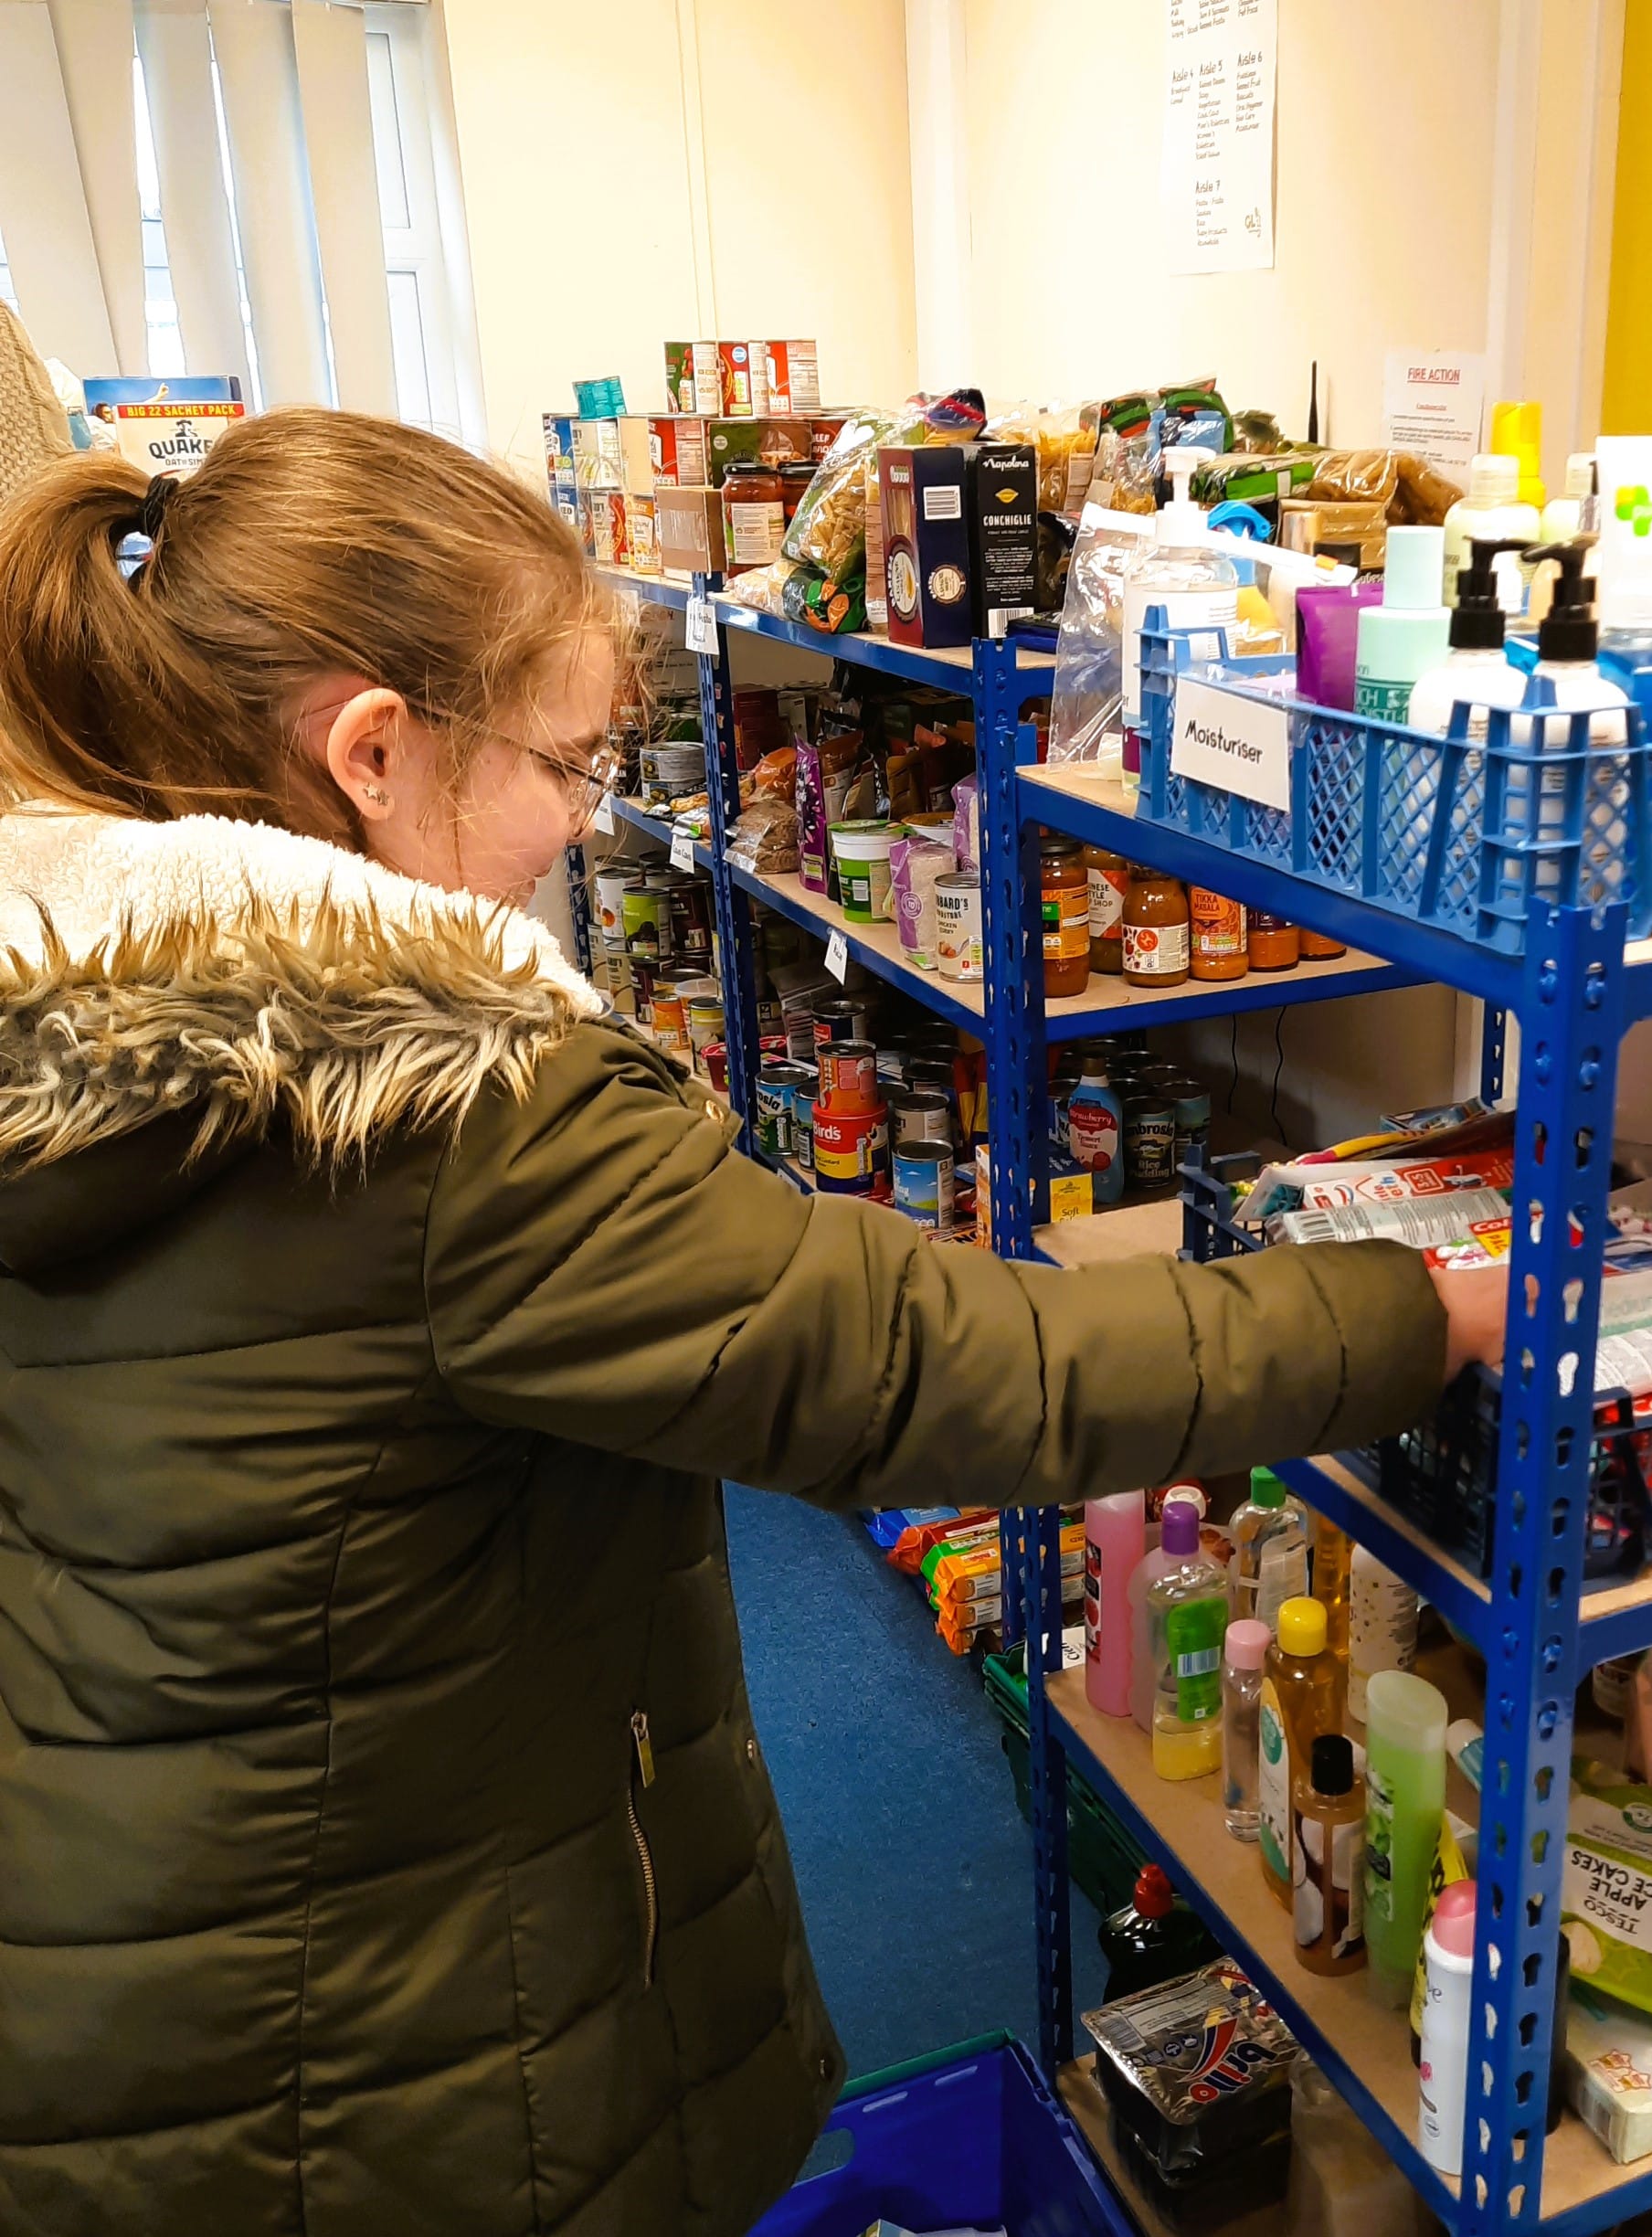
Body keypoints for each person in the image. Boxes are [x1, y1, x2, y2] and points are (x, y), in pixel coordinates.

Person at [0, 411, 1505, 2237]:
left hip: (138, 1973)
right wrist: (1413, 1310)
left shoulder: (68, 1006)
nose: (584, 820)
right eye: (561, 761)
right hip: (390, 2062)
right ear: (373, 753)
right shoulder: (452, 1117)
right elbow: (955, 1369)